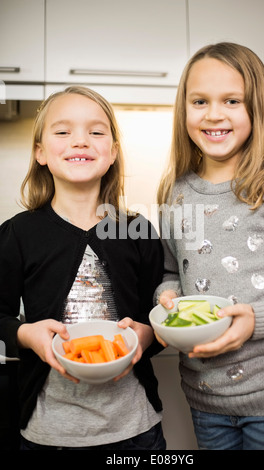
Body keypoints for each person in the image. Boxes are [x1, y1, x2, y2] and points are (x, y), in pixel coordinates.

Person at [0, 85, 166, 450]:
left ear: (113, 153)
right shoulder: (18, 233)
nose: (80, 141)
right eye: (63, 132)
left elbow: (158, 310)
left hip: (135, 428)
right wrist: (26, 335)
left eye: (95, 131)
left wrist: (148, 333)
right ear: (40, 153)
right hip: (47, 432)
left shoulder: (137, 231)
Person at [155, 42, 264, 450]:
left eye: (231, 100)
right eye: (199, 101)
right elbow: (171, 273)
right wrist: (165, 297)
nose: (214, 114)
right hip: (206, 400)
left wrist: (258, 318)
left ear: (258, 107)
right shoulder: (175, 191)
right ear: (184, 109)